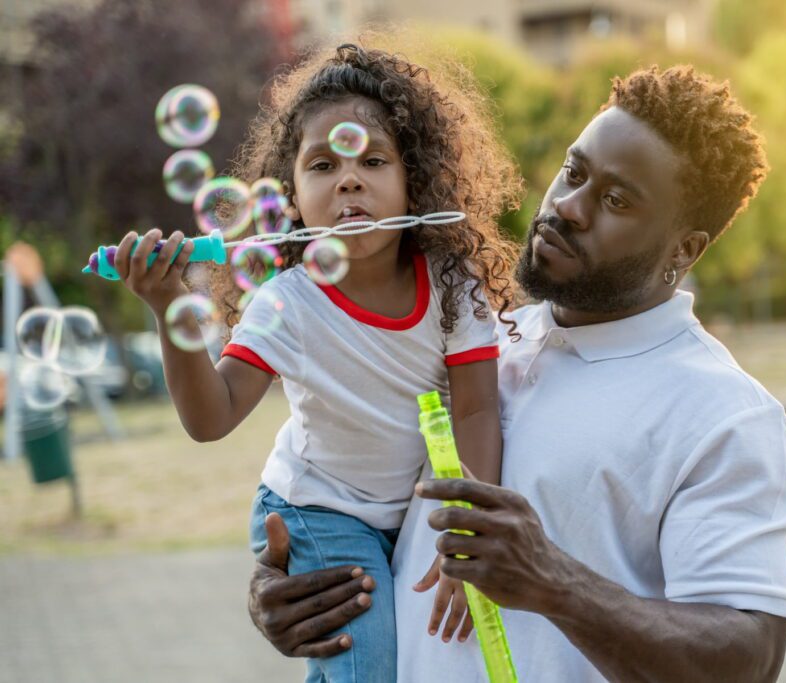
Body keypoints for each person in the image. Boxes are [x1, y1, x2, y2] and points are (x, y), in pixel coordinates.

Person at [249, 64, 786, 682]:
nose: (568, 207)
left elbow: (747, 658)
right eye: (575, 172)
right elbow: (360, 500)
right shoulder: (476, 336)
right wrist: (296, 591)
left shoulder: (721, 411)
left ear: (685, 249)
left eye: (616, 200)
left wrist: (552, 580)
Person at [114, 41, 523, 683]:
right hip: (317, 508)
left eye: (373, 160)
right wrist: (168, 302)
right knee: (368, 667)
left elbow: (475, 407)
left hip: (399, 514)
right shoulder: (289, 303)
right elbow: (209, 417)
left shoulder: (452, 283)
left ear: (416, 180)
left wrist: (465, 531)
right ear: (293, 199)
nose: (349, 179)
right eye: (324, 164)